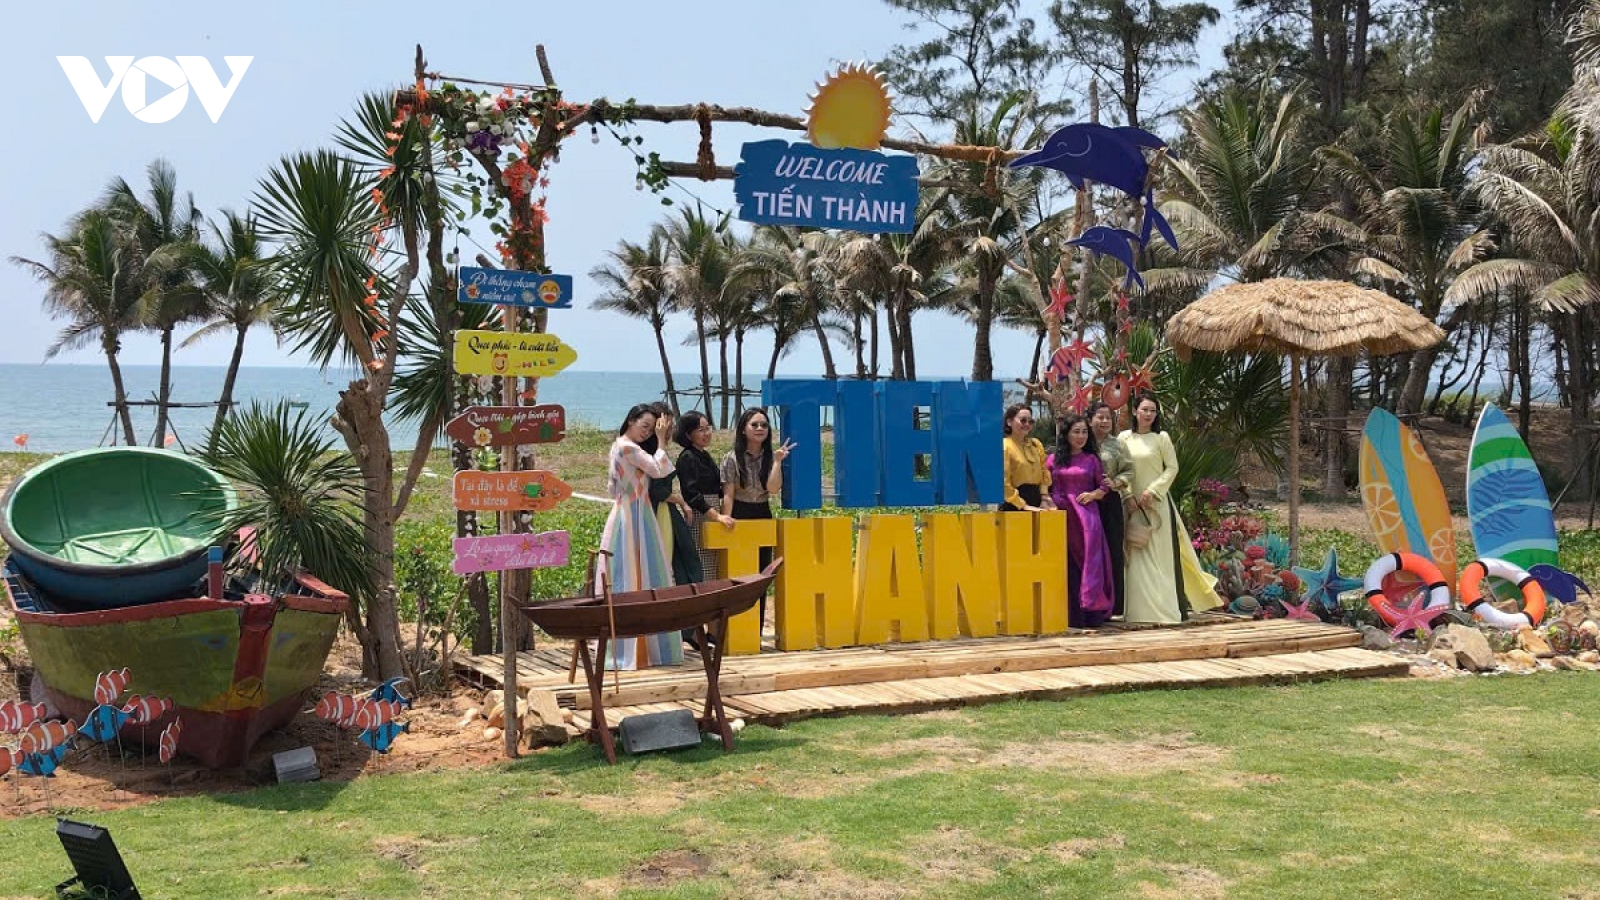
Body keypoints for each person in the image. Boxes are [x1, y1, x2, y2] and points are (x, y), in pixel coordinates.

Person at [1117, 393, 1221, 624]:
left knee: (1159, 558)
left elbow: (1172, 468)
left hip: (1157, 505)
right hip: (1132, 506)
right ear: (1134, 411)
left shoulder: (1161, 438)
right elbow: (1119, 468)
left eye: (1152, 411)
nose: (1148, 414)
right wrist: (1127, 495)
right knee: (1135, 555)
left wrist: (1152, 491)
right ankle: (1136, 612)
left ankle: (1164, 611)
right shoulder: (1124, 438)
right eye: (1144, 409)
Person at [597, 403, 683, 670]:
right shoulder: (627, 447)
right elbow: (658, 469)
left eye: (651, 428)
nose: (647, 432)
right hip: (633, 516)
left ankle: (640, 647)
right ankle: (634, 649)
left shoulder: (620, 446)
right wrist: (661, 440)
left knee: (638, 573)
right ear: (631, 421)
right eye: (644, 426)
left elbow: (613, 487)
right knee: (635, 574)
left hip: (632, 512)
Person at [720, 407, 794, 630]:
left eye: (764, 425)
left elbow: (772, 489)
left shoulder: (772, 457)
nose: (760, 428)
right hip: (739, 514)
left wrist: (778, 462)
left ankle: (757, 630)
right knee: (739, 573)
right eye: (754, 424)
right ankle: (736, 629)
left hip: (762, 512)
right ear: (743, 429)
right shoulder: (731, 458)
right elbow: (728, 494)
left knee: (761, 574)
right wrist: (725, 518)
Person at [1048, 414, 1115, 628]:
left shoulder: (1092, 459)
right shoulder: (1052, 460)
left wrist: (1093, 494)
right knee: (1066, 564)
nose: (1081, 436)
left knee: (1089, 563)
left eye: (1084, 432)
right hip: (1061, 517)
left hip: (1087, 519)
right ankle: (1070, 615)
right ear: (1066, 435)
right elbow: (1044, 486)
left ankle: (1090, 613)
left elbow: (1104, 487)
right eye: (1076, 432)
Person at [673, 409, 733, 651]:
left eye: (708, 428)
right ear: (688, 434)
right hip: (702, 517)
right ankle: (696, 632)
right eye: (701, 429)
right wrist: (716, 515)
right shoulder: (687, 458)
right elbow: (692, 494)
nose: (707, 433)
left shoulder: (704, 455)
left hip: (713, 513)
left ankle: (712, 631)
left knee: (714, 574)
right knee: (703, 576)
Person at [641, 402, 700, 588]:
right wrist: (680, 500)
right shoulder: (651, 452)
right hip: (658, 511)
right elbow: (657, 489)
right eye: (667, 425)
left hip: (662, 509)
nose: (670, 429)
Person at [1089, 401, 1132, 618]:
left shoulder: (1118, 445)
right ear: (1090, 419)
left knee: (1114, 550)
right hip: (1086, 502)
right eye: (1100, 417)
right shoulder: (1081, 441)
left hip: (1110, 502)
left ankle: (1115, 606)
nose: (1105, 421)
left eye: (1108, 418)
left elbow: (1129, 471)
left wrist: (1115, 482)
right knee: (1090, 552)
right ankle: (1090, 603)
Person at [1001, 404, 1052, 512]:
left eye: (1030, 421)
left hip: (1038, 503)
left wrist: (1044, 498)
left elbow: (1044, 472)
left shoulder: (1036, 444)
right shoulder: (1004, 446)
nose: (1027, 424)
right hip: (1013, 505)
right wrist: (1023, 506)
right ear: (1009, 422)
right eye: (1023, 420)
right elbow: (1003, 483)